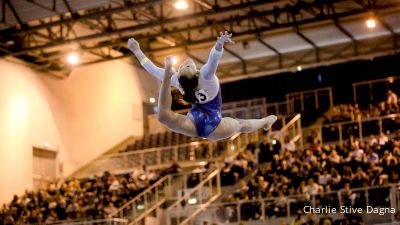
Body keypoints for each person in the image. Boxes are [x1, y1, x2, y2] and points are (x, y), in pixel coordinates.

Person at [127, 31, 277, 141]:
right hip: (215, 125)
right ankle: (264, 122)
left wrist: (137, 50)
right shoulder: (205, 75)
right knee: (241, 124)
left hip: (193, 122)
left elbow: (151, 68)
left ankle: (265, 123)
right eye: (185, 66)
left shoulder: (178, 81)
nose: (185, 63)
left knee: (163, 117)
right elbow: (213, 59)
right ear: (195, 73)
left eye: (183, 66)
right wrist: (219, 44)